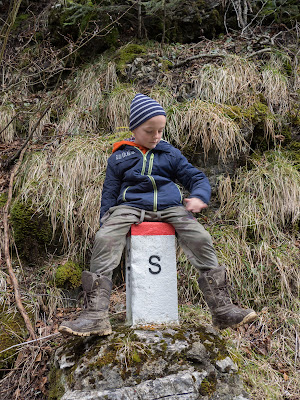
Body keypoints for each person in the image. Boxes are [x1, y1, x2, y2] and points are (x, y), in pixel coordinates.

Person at [59, 94, 257, 337]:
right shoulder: (119, 156)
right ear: (134, 128)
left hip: (171, 208)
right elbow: (109, 191)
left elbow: (195, 177)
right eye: (149, 130)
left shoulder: (170, 154)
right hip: (129, 208)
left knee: (201, 238)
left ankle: (223, 310)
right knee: (104, 239)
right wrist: (105, 219)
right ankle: (95, 316)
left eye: (160, 130)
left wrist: (199, 196)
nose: (156, 136)